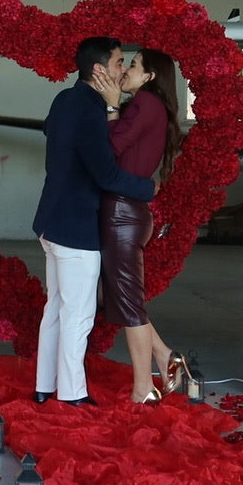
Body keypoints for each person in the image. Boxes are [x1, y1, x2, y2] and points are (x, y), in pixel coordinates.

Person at [31, 36, 157, 404]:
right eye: (120, 63)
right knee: (78, 315)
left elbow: (49, 131)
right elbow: (107, 175)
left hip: (50, 220)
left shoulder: (65, 99)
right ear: (99, 70)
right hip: (74, 227)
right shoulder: (90, 110)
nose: (123, 69)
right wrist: (149, 188)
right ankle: (71, 395)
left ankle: (44, 388)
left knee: (55, 310)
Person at [93, 49, 188, 403]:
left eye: (132, 66)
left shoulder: (144, 104)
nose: (126, 71)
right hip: (126, 212)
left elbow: (112, 148)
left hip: (122, 214)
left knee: (129, 304)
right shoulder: (151, 106)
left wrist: (112, 105)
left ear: (149, 77)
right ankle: (164, 356)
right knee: (113, 297)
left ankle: (143, 388)